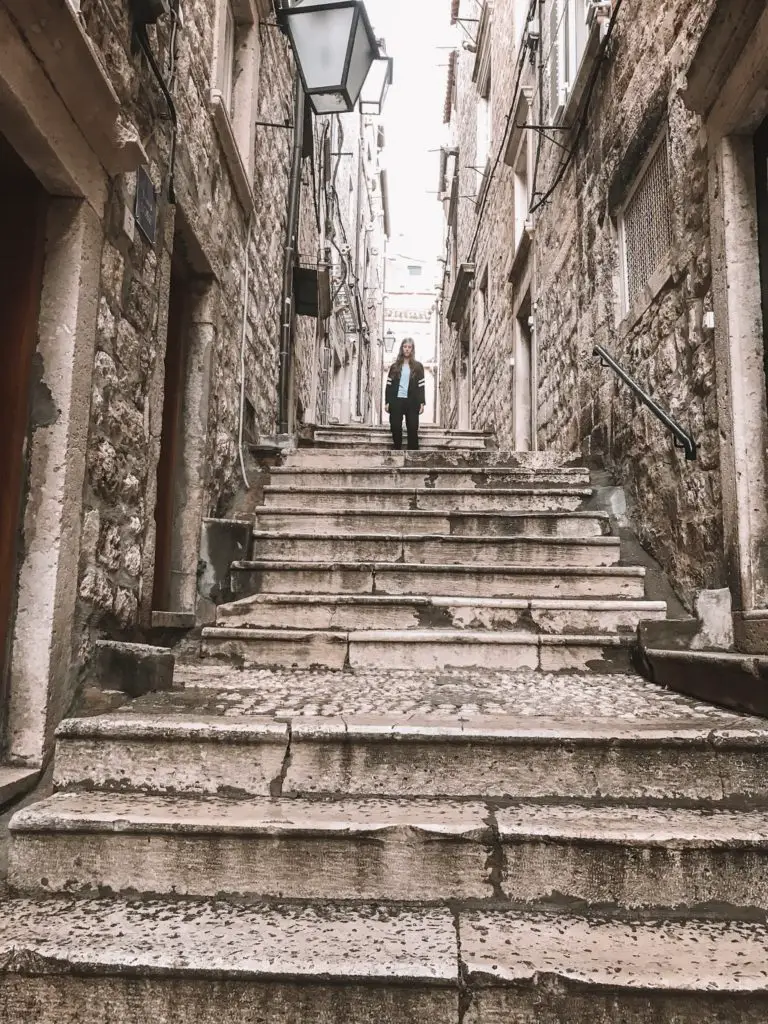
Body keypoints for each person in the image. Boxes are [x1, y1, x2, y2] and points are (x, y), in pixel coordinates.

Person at [385, 338, 426, 450]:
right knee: (395, 425)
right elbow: (389, 385)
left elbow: (421, 386)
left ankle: (412, 451)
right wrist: (387, 401)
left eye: (409, 347)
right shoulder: (394, 366)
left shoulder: (418, 367)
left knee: (413, 427)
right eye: (405, 347)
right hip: (396, 400)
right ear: (401, 348)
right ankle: (397, 447)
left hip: (412, 401)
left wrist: (422, 402)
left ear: (412, 349)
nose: (407, 349)